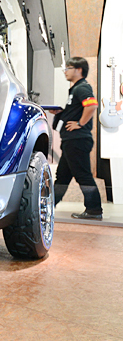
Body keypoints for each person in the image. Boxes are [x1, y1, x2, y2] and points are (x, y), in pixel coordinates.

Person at [52, 56, 103, 220]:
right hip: (71, 141)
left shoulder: (82, 88)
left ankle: (94, 210)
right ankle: (47, 205)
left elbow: (92, 105)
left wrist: (80, 123)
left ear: (79, 70)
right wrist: (61, 113)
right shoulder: (75, 89)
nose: (65, 71)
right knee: (62, 176)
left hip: (77, 141)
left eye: (68, 68)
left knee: (83, 176)